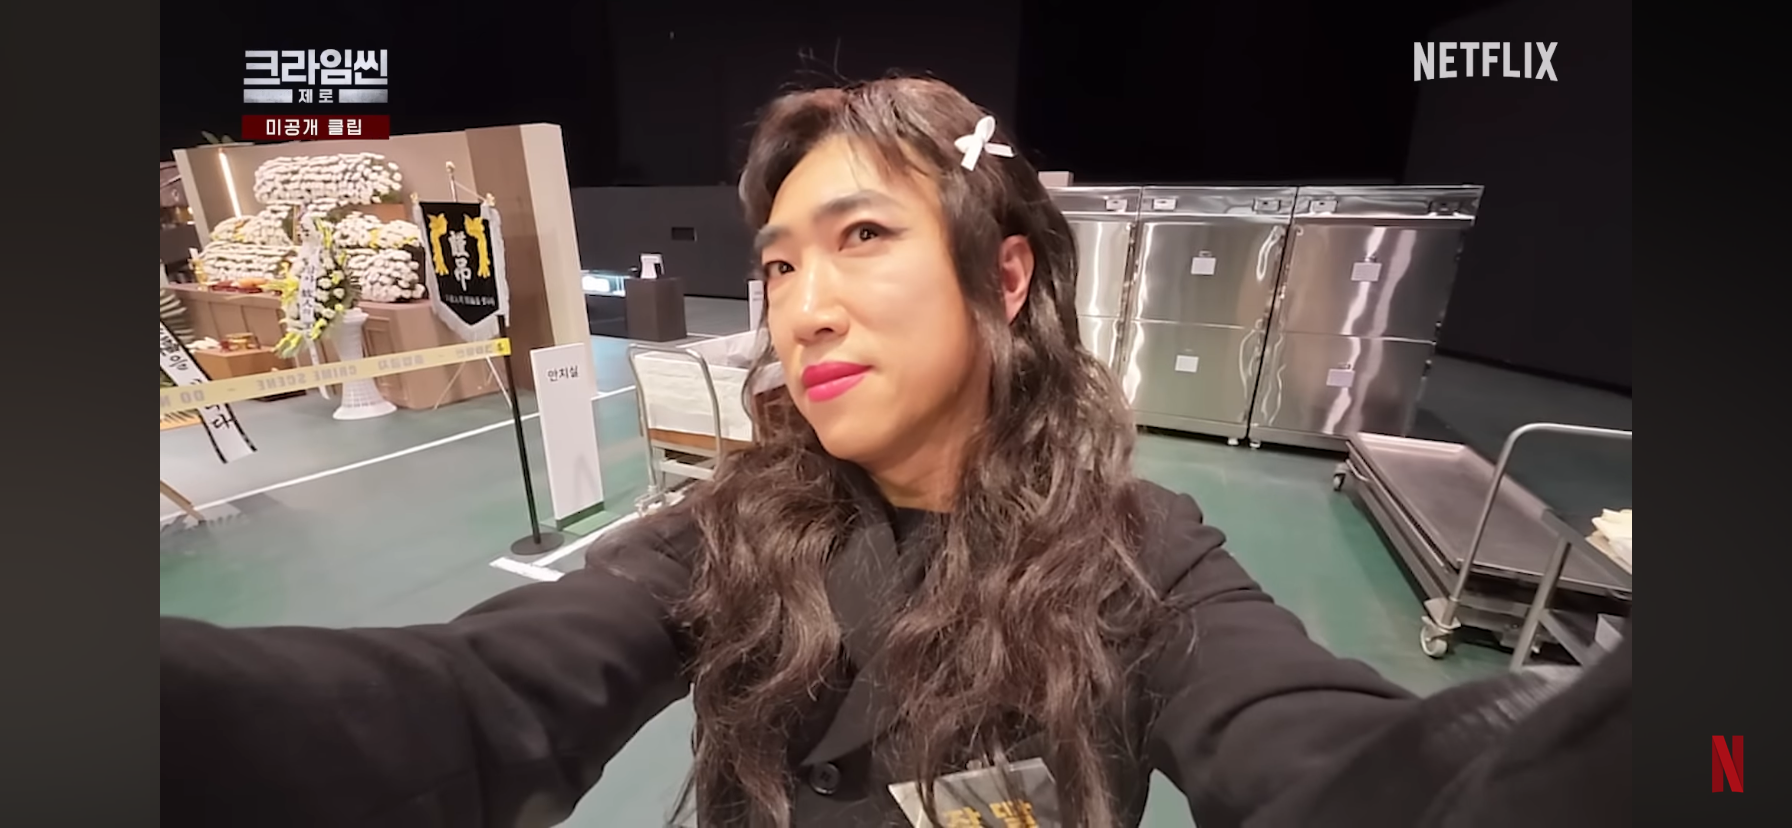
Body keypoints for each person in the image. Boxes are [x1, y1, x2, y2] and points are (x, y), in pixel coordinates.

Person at [161, 78, 1627, 828]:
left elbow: (1325, 755)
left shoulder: (1140, 550)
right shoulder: (725, 532)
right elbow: (479, 700)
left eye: (861, 236)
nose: (802, 307)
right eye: (778, 263)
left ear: (1004, 278)